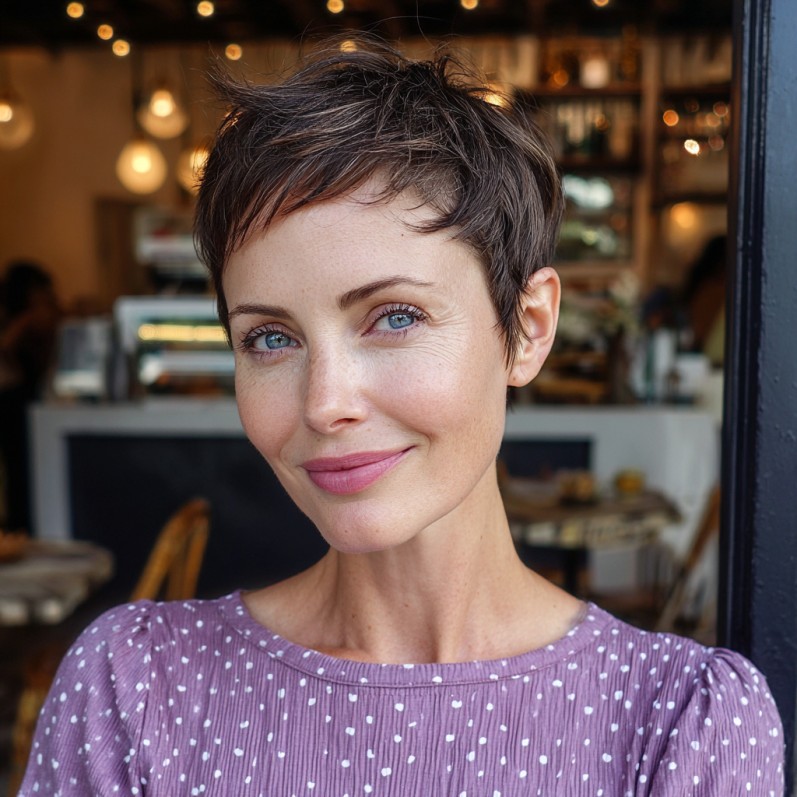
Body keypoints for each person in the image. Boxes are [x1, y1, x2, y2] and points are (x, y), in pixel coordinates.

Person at [19, 37, 783, 795]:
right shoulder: (135, 689)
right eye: (271, 337)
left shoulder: (678, 721)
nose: (325, 403)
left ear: (527, 328)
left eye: (394, 317)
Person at [0, 261, 60, 531]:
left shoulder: (48, 319)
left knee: (27, 473)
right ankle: (20, 528)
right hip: (14, 406)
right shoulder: (18, 323)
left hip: (28, 405)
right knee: (19, 474)